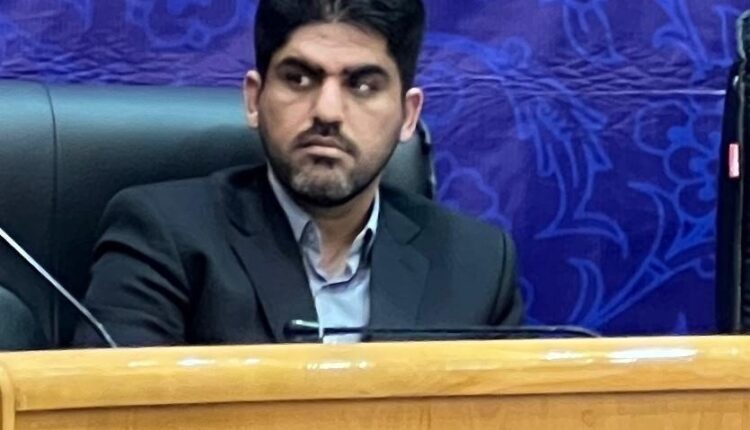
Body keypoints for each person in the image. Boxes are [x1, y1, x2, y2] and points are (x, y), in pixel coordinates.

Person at [73, 0, 524, 347]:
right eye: (299, 79)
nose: (327, 111)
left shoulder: (478, 264)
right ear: (254, 98)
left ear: (408, 116)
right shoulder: (162, 235)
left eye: (362, 85)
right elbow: (115, 414)